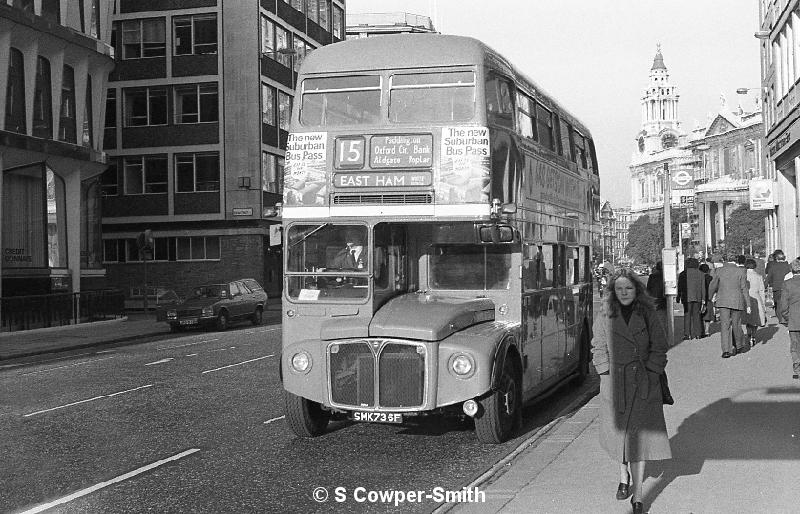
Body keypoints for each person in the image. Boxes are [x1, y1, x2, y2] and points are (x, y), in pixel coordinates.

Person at [591, 268, 671, 514]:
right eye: (619, 289)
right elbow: (599, 346)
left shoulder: (647, 313)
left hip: (644, 381)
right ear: (613, 292)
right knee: (621, 437)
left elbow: (660, 346)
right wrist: (605, 373)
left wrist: (652, 371)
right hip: (615, 382)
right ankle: (623, 475)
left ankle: (638, 497)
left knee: (641, 439)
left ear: (637, 290)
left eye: (629, 288)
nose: (624, 293)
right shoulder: (605, 313)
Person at [708, 255, 751, 358]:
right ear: (735, 261)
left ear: (725, 261)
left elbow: (713, 285)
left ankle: (726, 350)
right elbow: (744, 288)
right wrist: (748, 304)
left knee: (725, 325)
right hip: (737, 300)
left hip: (723, 301)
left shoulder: (719, 271)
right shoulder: (741, 271)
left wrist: (709, 297)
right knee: (736, 324)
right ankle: (739, 345)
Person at [778, 258, 800, 380]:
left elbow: (784, 305)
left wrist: (786, 318)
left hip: (794, 319)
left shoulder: (787, 284)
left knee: (795, 345)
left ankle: (798, 369)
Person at [676, 257, 706, 340]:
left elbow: (680, 286)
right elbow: (703, 287)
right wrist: (703, 298)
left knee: (687, 315)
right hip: (698, 297)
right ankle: (698, 334)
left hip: (686, 297)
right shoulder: (701, 273)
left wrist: (678, 296)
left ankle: (687, 334)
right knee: (697, 315)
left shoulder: (683, 274)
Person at [743, 258, 767, 346]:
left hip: (745, 298)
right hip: (757, 298)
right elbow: (762, 291)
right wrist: (763, 304)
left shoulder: (743, 275)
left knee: (748, 319)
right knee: (755, 319)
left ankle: (749, 335)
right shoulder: (759, 276)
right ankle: (753, 335)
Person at [767, 250, 791, 323]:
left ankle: (780, 318)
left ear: (777, 259)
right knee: (787, 302)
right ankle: (786, 317)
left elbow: (769, 277)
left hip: (776, 287)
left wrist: (764, 286)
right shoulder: (789, 266)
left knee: (778, 303)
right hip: (787, 287)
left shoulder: (773, 267)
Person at [698, 263, 715, 337]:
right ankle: (707, 331)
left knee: (700, 315)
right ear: (708, 270)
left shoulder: (698, 278)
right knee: (707, 316)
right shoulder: (711, 278)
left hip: (700, 298)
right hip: (709, 298)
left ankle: (701, 330)